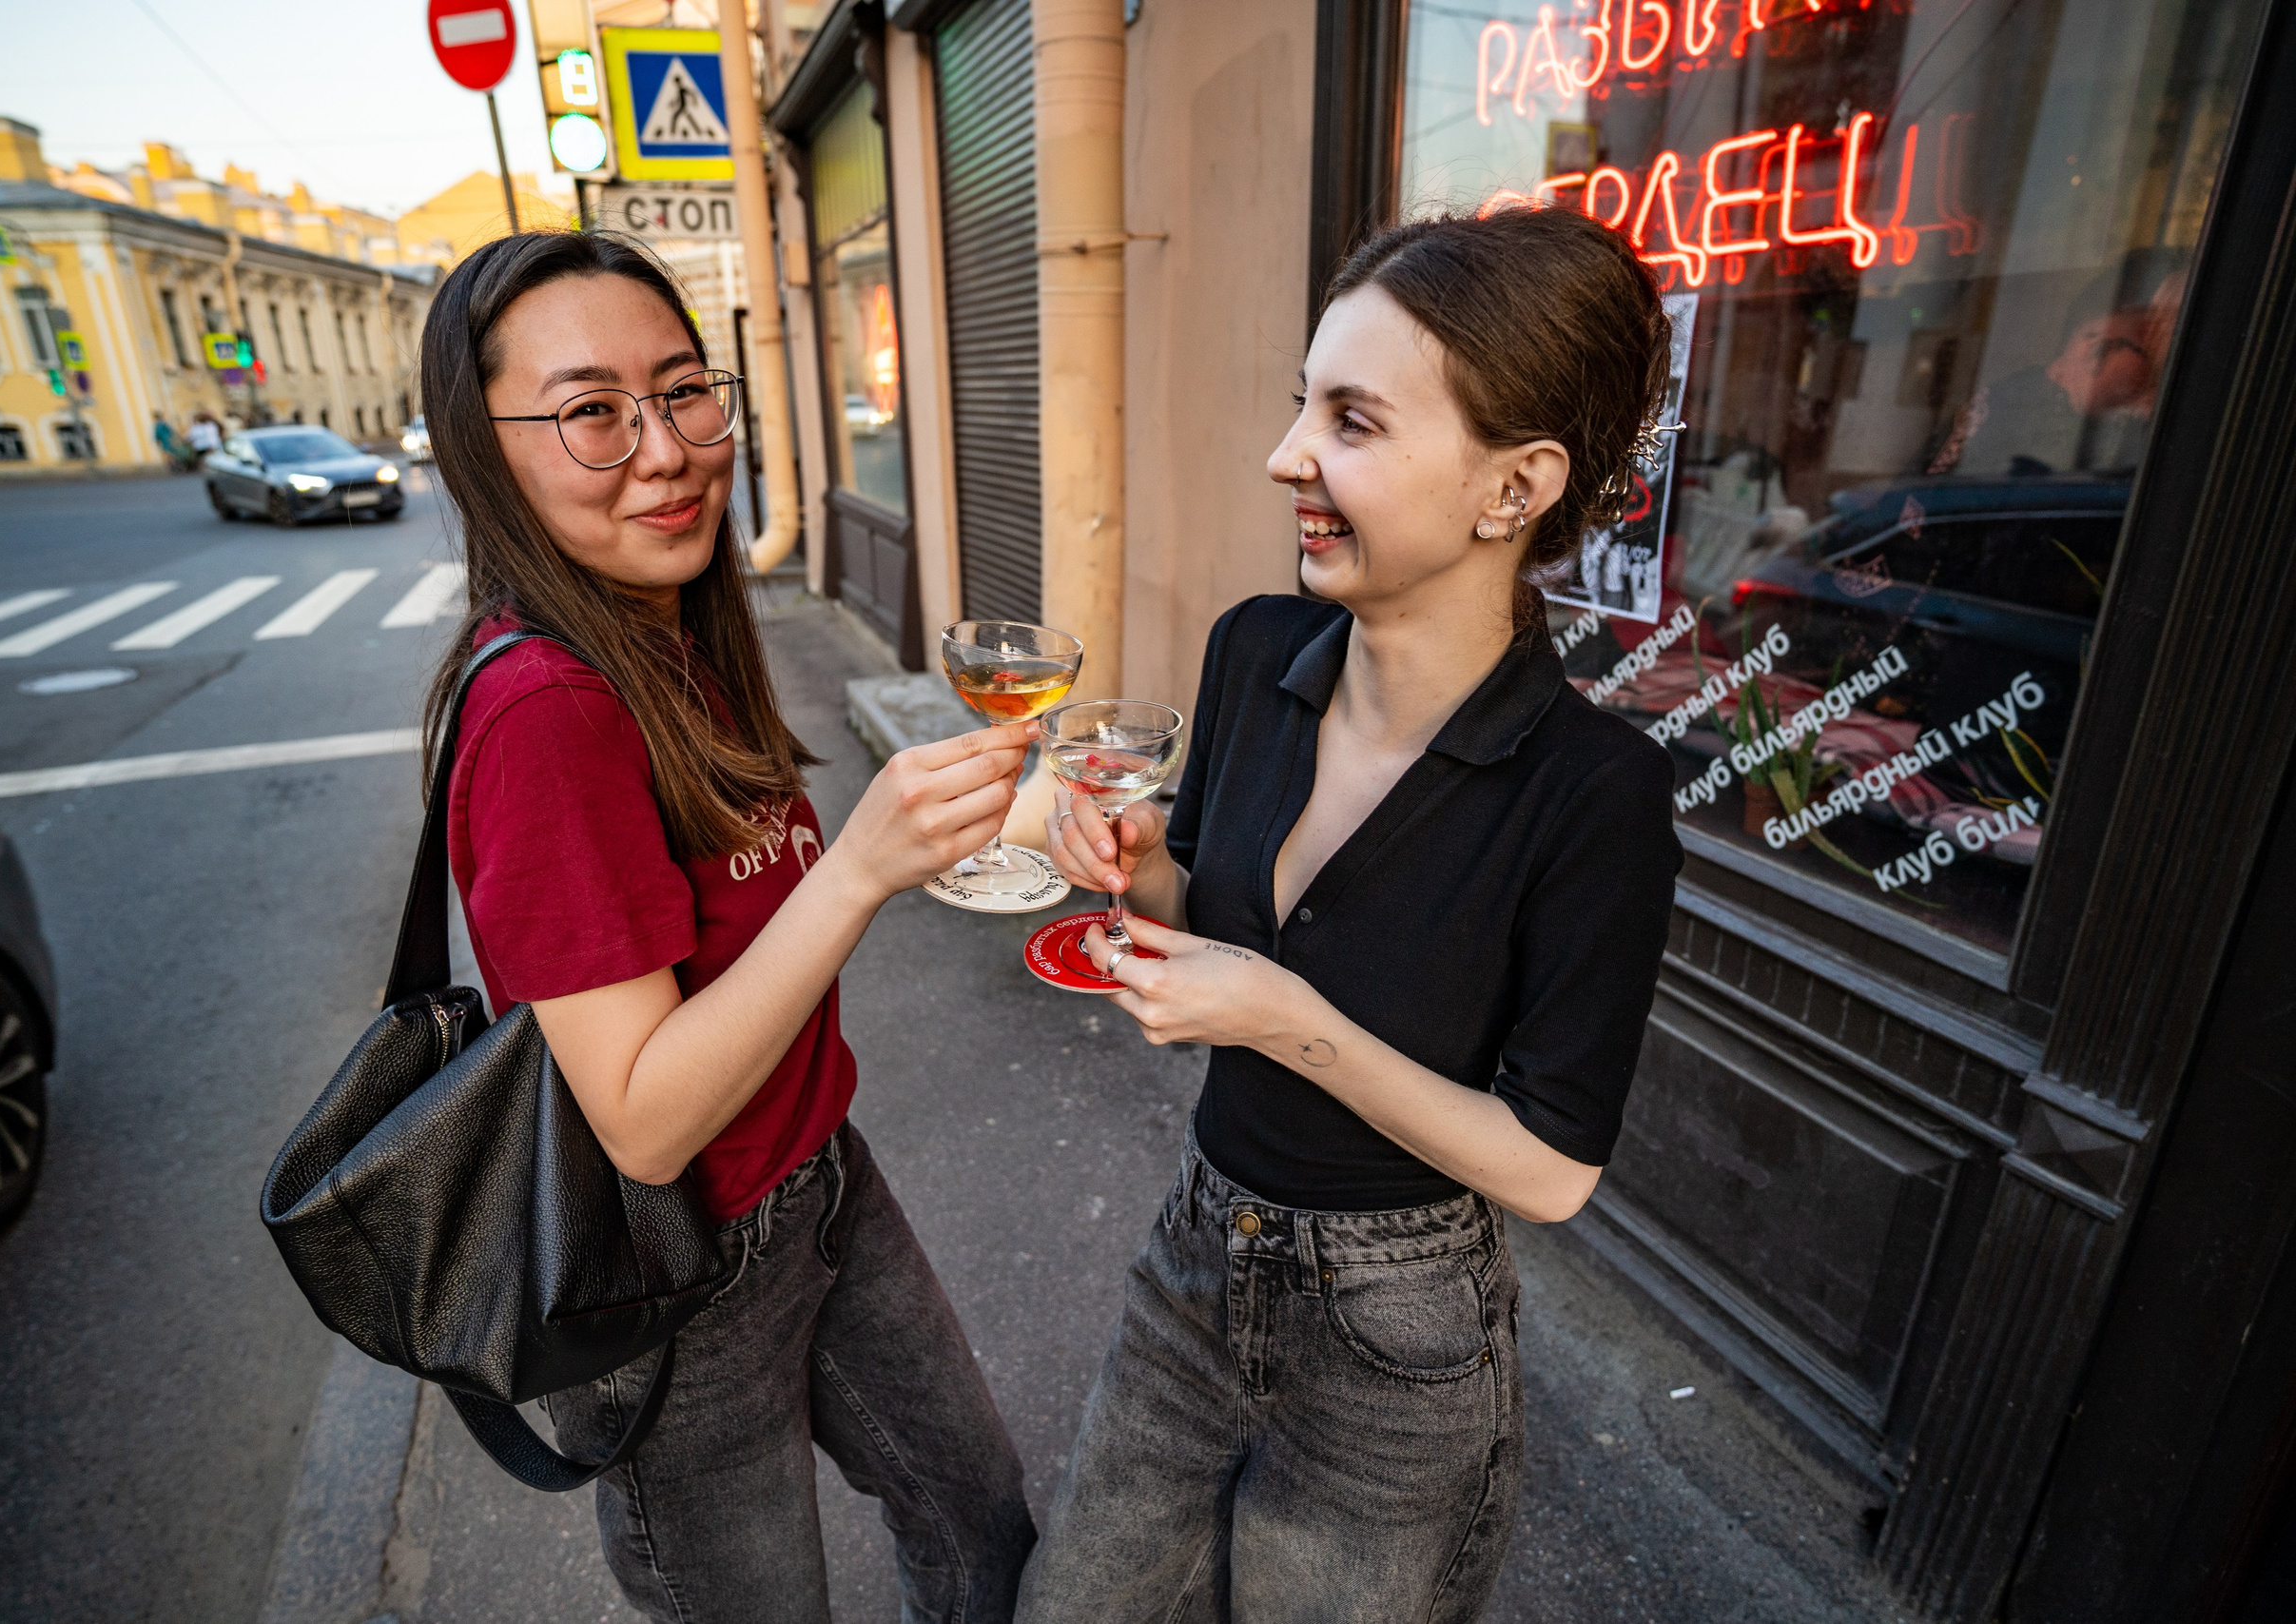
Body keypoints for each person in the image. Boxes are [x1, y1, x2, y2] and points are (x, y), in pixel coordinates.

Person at [1023, 205, 1684, 1620]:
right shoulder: (1257, 648)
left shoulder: (1595, 793)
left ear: (1514, 487)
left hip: (1405, 1341)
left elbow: (1552, 1173)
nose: (1288, 456)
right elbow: (1204, 902)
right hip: (1195, 1258)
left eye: (1354, 421)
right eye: (1300, 404)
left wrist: (1285, 1021)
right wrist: (1134, 868)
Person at [418, 231, 1037, 1620]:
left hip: (820, 1187)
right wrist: (862, 869)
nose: (666, 448)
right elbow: (641, 1119)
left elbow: (757, 904)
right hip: (673, 1284)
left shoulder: (669, 628)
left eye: (684, 389)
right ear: (487, 453)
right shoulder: (547, 715)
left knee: (980, 1518)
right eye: (590, 412)